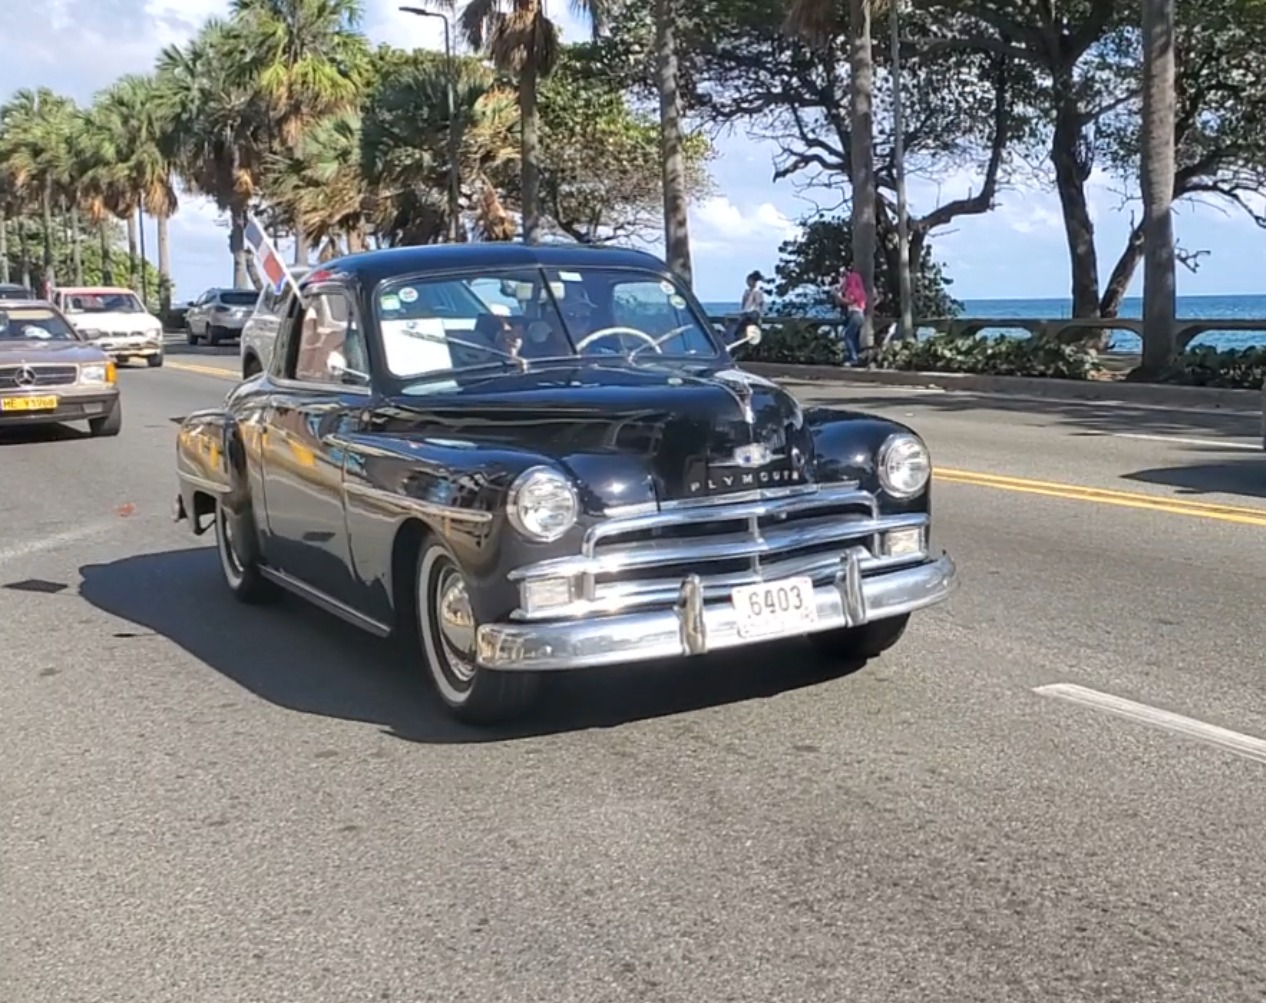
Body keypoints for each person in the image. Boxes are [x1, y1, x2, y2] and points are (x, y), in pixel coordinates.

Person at [834, 268, 866, 366]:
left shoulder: (853, 291)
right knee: (853, 337)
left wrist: (838, 296)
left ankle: (853, 358)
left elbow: (849, 302)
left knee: (847, 336)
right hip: (859, 315)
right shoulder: (861, 291)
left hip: (855, 314)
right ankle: (856, 357)